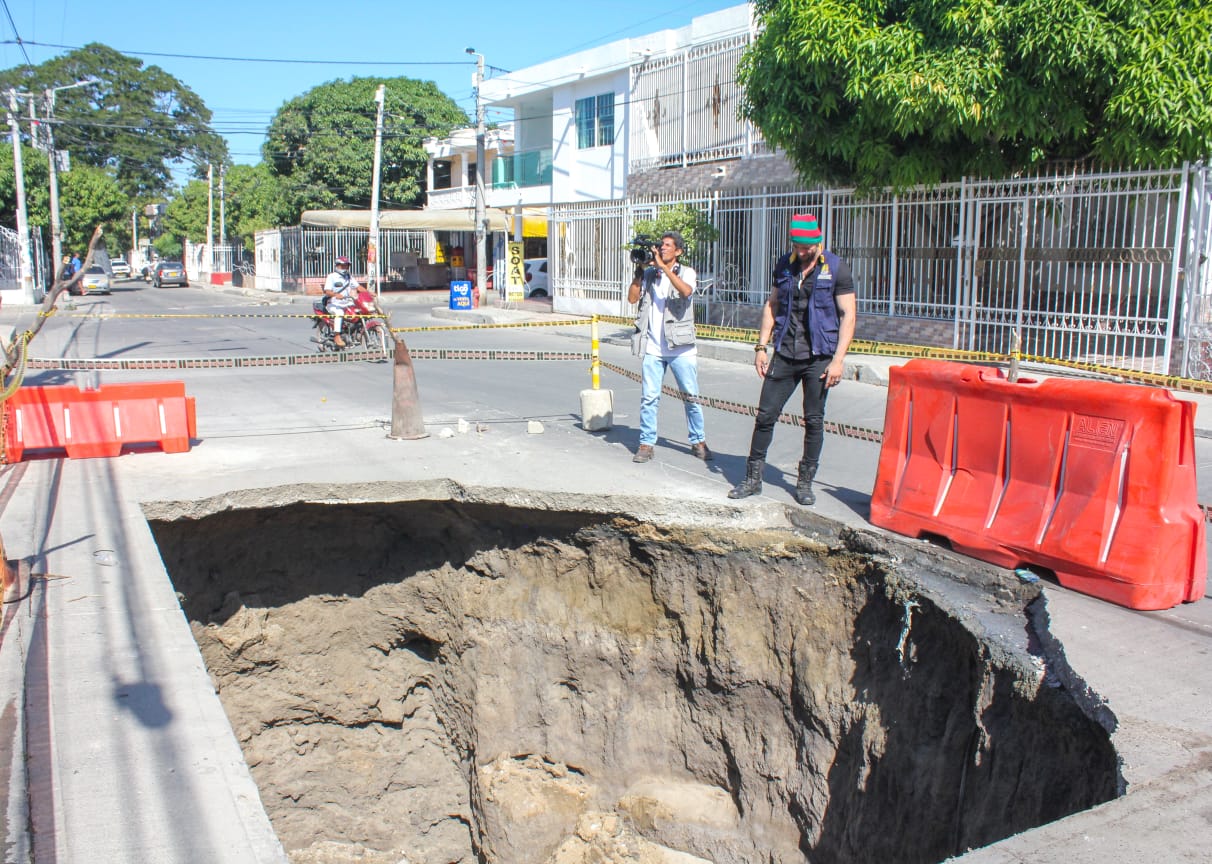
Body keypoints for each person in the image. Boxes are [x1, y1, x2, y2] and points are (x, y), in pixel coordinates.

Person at [728, 213, 856, 504]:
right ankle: (752, 479)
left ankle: (804, 483)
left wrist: (838, 360)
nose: (800, 252)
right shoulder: (785, 264)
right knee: (765, 416)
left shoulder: (836, 268)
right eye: (796, 246)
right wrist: (761, 347)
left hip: (819, 356)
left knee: (813, 420)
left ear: (817, 242)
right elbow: (772, 304)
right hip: (785, 351)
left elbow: (849, 315)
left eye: (805, 248)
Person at [628, 231, 712, 463]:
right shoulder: (649, 274)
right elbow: (632, 299)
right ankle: (646, 443)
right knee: (649, 398)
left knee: (691, 398)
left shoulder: (687, 273)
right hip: (654, 348)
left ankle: (698, 441)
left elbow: (685, 292)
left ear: (678, 251)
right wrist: (639, 272)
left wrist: (664, 269)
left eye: (666, 246)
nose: (661, 248)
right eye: (660, 245)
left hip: (681, 347)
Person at [323, 256, 359, 348]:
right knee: (339, 313)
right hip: (333, 304)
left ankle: (354, 333)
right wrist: (336, 295)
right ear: (337, 266)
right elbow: (327, 291)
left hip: (346, 303)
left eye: (347, 265)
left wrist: (368, 292)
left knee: (358, 311)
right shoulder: (332, 276)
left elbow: (357, 287)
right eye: (343, 265)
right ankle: (337, 336)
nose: (345, 267)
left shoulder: (349, 277)